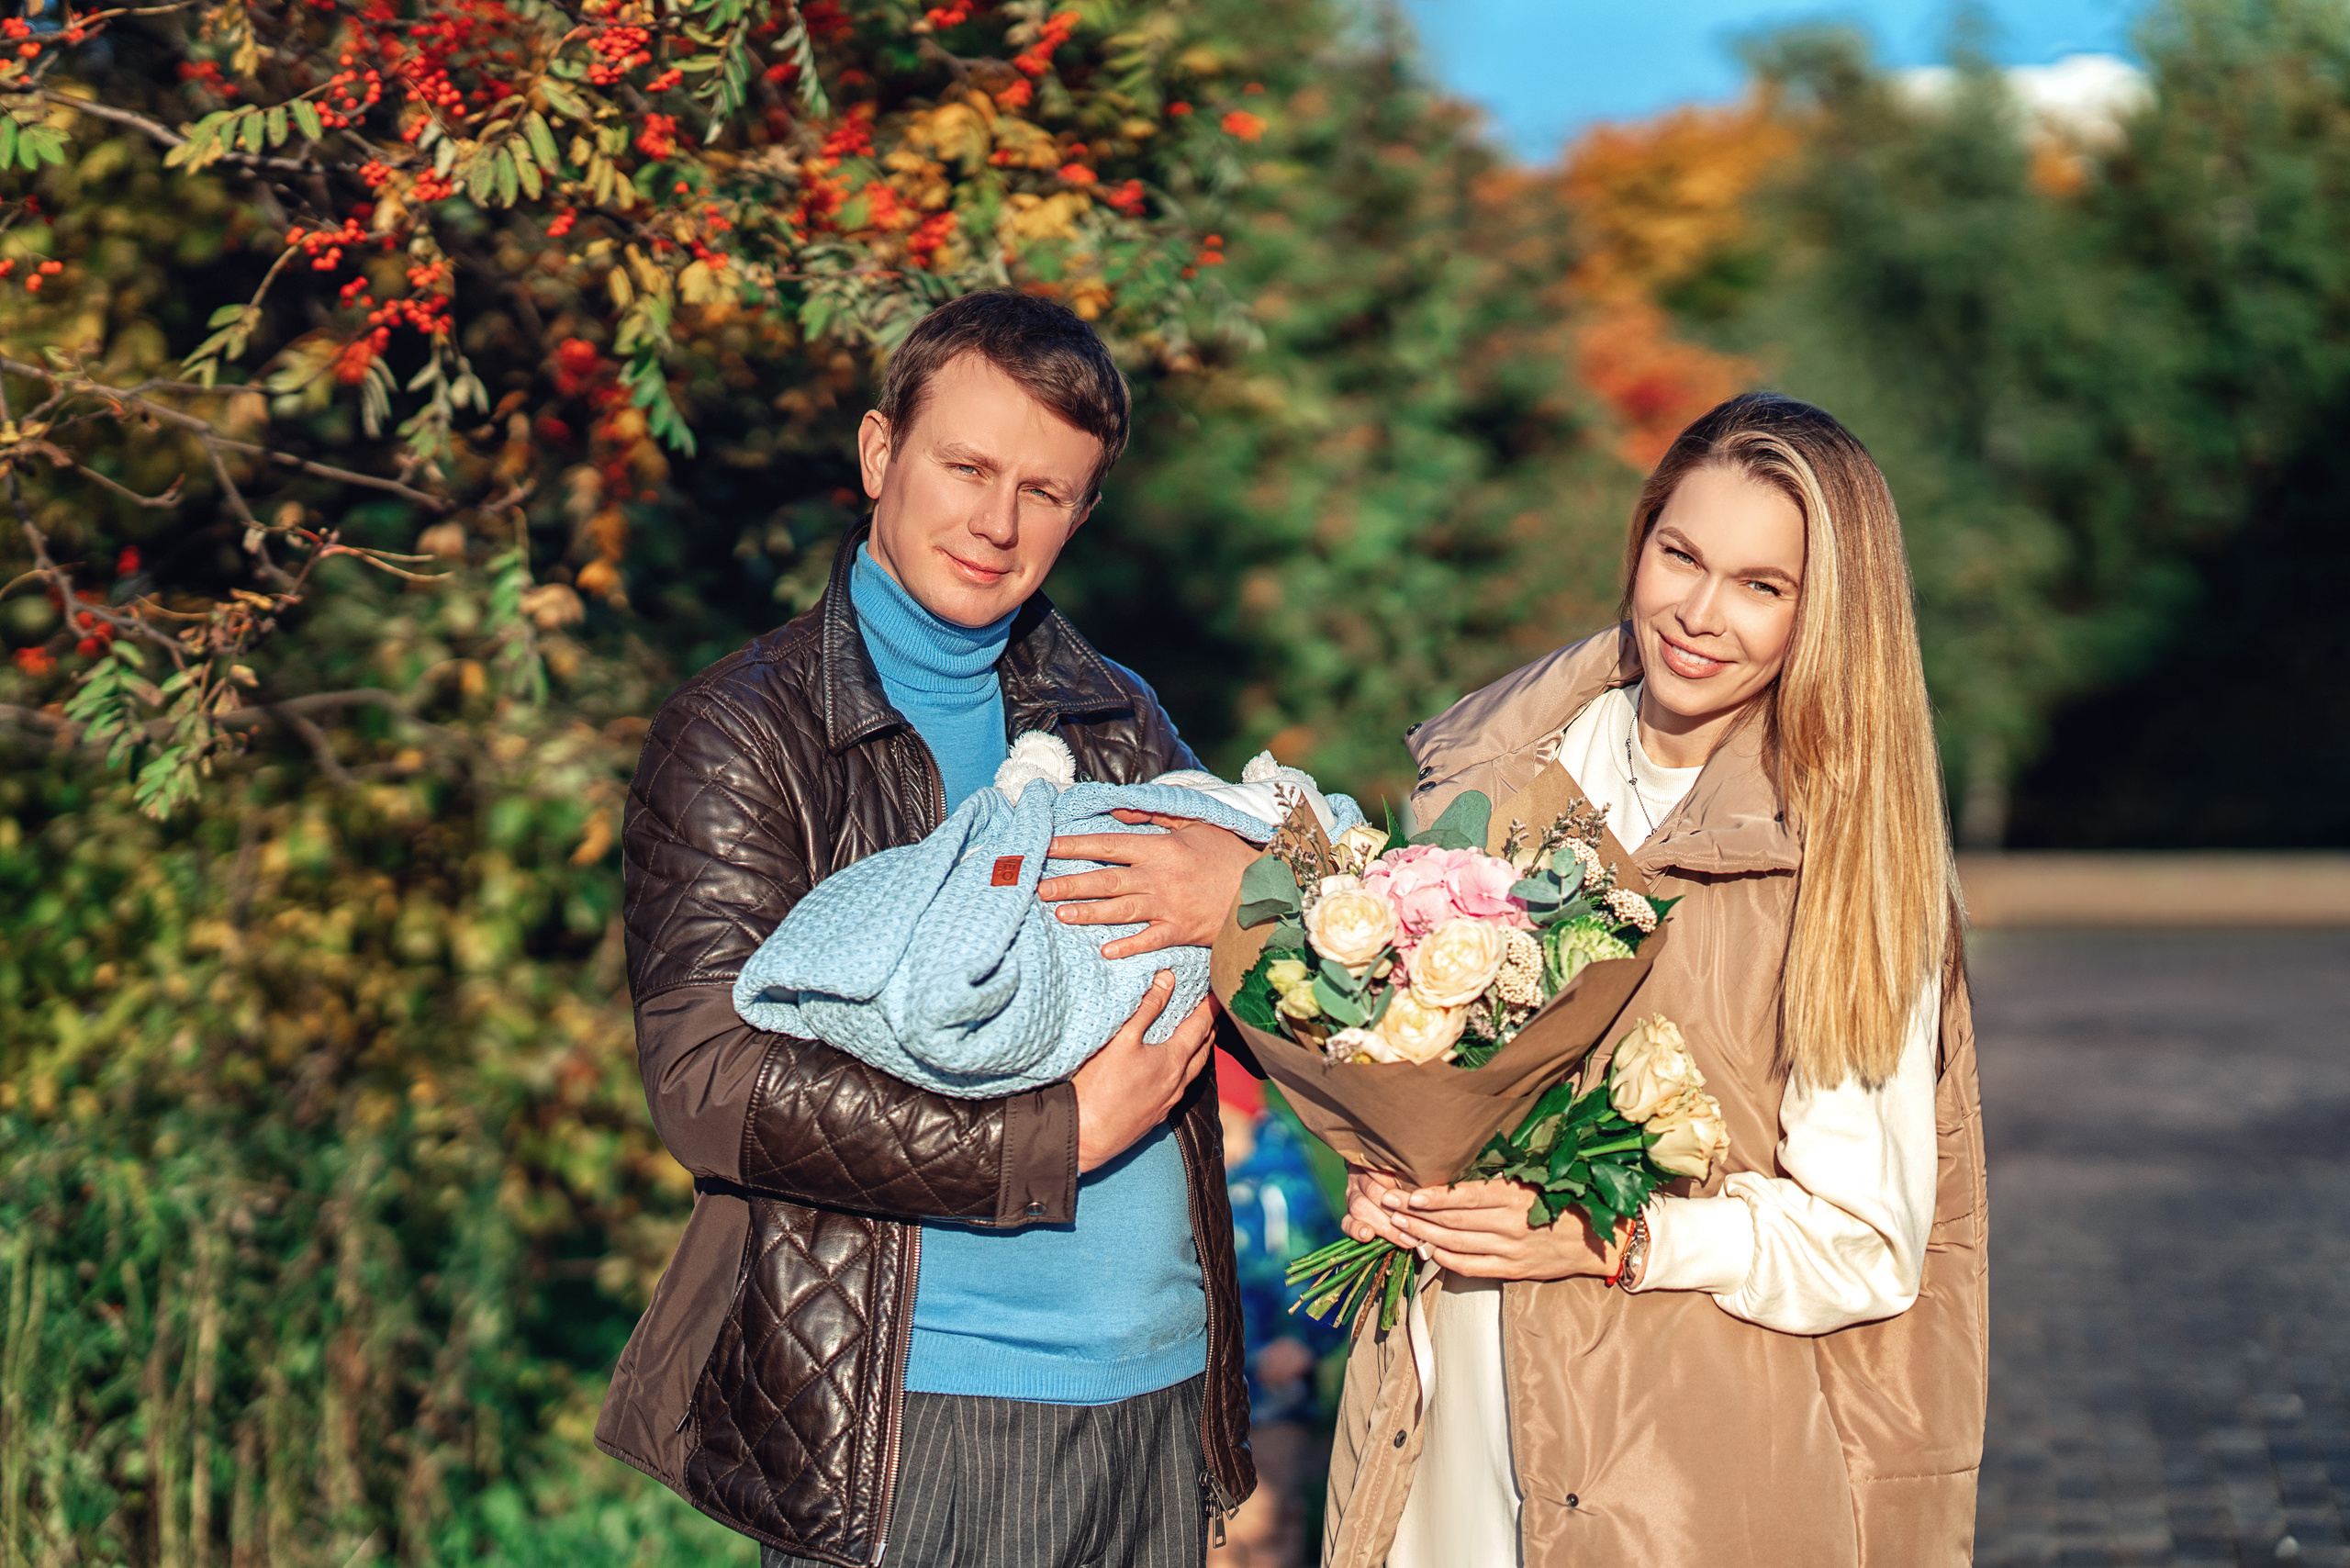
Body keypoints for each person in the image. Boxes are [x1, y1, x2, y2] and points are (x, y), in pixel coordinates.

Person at [594, 289, 1261, 1568]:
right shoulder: (746, 732)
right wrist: (1046, 1140)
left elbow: (1235, 975)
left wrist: (1255, 904)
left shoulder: (1119, 715)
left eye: (1047, 492)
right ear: (878, 452)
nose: (999, 522)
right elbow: (708, 1084)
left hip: (1161, 1392)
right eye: (967, 466)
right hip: (921, 1409)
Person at [1321, 393, 1988, 1568]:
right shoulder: (1487, 779)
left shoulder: (1843, 855)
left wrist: (1615, 1238)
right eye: (1679, 555)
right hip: (1442, 1406)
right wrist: (1389, 1175)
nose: (1698, 612)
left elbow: (1868, 1244)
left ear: (1821, 614)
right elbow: (1422, 1071)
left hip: (1674, 1462)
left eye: (1759, 585)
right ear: (1640, 542)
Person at [1210, 1055, 1347, 1568]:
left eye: (1223, 1121)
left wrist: (1305, 1340)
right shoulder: (1195, 1183)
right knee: (1214, 1525)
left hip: (1274, 1387)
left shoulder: (1288, 1188)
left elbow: (1330, 1271)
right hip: (1204, 1387)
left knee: (1267, 1514)